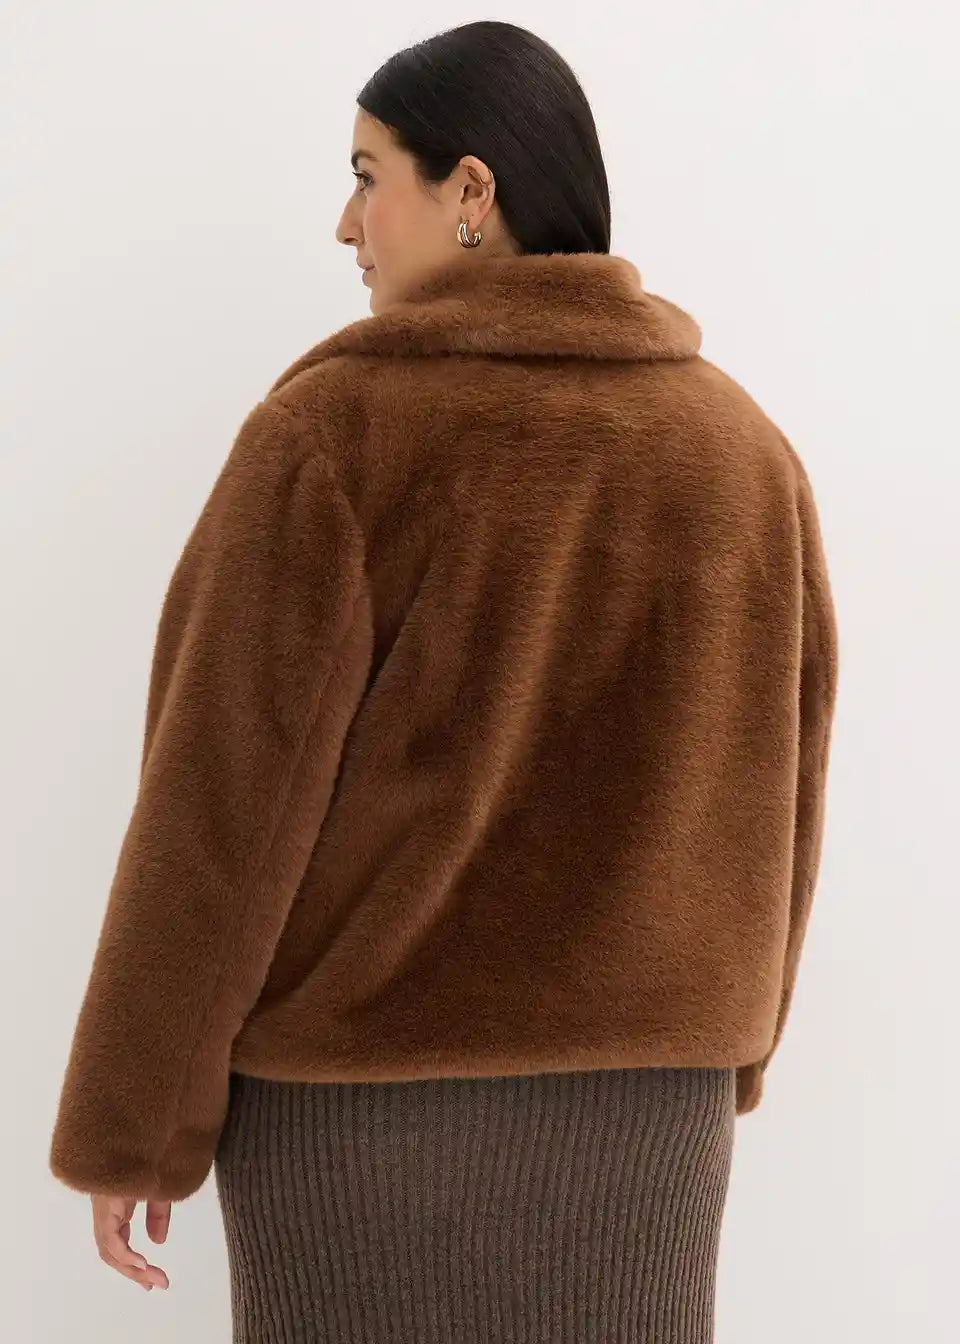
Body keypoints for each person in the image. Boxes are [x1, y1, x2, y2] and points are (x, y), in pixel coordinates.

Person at [48, 19, 839, 1344]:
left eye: (369, 176)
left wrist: (139, 1122)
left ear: (471, 189)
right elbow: (785, 789)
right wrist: (729, 1051)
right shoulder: (743, 453)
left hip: (357, 1113)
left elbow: (219, 810)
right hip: (651, 1113)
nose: (346, 224)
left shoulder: (331, 436)